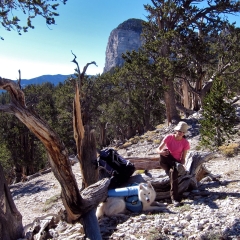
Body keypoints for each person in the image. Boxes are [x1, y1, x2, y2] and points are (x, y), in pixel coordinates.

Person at [156, 121, 190, 207]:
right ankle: (176, 165)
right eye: (179, 131)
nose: (180, 133)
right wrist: (161, 152)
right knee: (165, 151)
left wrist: (183, 165)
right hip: (165, 161)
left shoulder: (185, 143)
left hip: (175, 163)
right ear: (176, 131)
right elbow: (158, 149)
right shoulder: (169, 137)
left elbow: (183, 158)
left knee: (174, 173)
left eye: (182, 132)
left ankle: (174, 199)